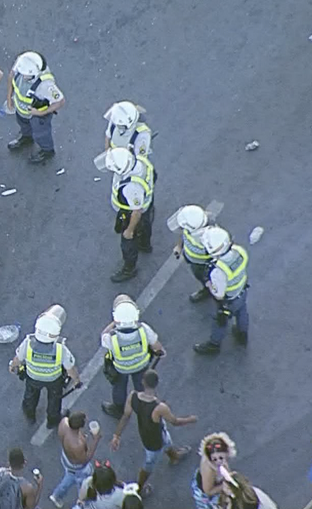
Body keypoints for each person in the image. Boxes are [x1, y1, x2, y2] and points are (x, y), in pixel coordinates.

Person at [110, 370, 196, 496]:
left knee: (167, 440)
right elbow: (175, 421)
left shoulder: (132, 396)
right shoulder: (160, 407)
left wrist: (116, 435)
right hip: (154, 441)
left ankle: (174, 456)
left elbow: (125, 416)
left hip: (147, 433)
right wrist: (191, 419)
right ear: (157, 383)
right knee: (149, 463)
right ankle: (140, 487)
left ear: (143, 382)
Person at [9, 306, 81, 429]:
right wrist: (76, 380)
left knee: (30, 396)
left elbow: (18, 359)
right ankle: (53, 420)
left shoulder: (28, 342)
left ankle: (30, 414)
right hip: (54, 380)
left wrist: (12, 366)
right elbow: (70, 369)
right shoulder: (60, 348)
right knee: (54, 400)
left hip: (32, 378)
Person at [100, 295, 165, 418]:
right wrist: (160, 351)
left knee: (119, 388)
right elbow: (156, 346)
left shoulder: (111, 337)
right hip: (141, 366)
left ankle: (118, 409)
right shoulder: (144, 329)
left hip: (121, 368)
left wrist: (114, 323)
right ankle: (145, 407)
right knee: (142, 386)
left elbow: (103, 336)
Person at [100, 148, 155, 283]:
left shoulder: (131, 187)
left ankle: (129, 268)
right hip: (146, 203)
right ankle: (145, 244)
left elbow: (136, 211)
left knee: (128, 242)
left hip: (131, 213)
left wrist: (129, 230)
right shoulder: (140, 162)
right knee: (146, 223)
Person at [193, 226, 250, 354]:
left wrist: (208, 285)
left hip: (228, 300)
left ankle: (214, 344)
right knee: (242, 313)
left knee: (219, 322)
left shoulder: (218, 271)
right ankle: (242, 335)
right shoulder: (239, 251)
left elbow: (218, 294)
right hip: (242, 291)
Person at [5, 51, 65, 164]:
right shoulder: (23, 63)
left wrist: (41, 113)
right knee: (24, 125)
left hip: (37, 117)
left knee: (41, 134)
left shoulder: (45, 85)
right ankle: (27, 138)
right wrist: (9, 98)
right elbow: (11, 76)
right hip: (22, 111)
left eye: (24, 75)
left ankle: (47, 150)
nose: (21, 75)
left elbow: (60, 101)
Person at [48, 412, 100, 508]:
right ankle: (82, 501)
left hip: (66, 458)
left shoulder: (64, 422)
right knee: (82, 483)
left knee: (69, 477)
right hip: (77, 467)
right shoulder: (77, 445)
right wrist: (95, 440)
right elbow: (85, 459)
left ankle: (57, 495)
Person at [169, 204, 213, 302]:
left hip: (203, 263)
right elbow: (183, 233)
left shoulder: (208, 237)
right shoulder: (194, 223)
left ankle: (210, 291)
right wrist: (179, 246)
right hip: (191, 258)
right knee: (200, 276)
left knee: (205, 278)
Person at [192, 432, 236, 509]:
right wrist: (225, 485)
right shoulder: (209, 470)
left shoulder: (215, 456)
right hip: (207, 495)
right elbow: (208, 491)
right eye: (215, 459)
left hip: (217, 484)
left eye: (221, 458)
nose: (218, 461)